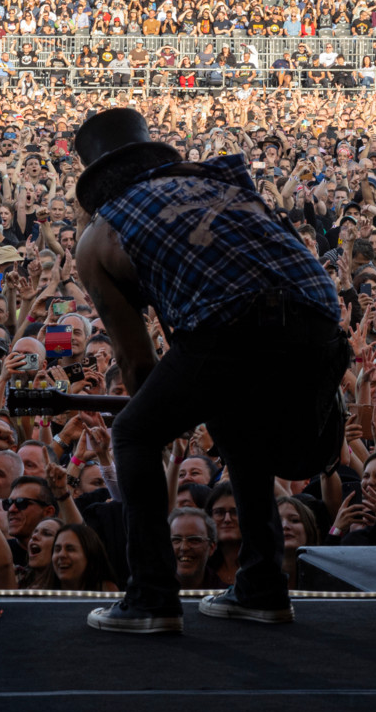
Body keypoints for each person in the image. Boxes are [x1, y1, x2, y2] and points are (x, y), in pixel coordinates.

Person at [73, 106, 349, 632]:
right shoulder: (220, 185)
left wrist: (159, 417)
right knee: (238, 429)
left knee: (132, 434)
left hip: (232, 322)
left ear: (96, 183)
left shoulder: (100, 234)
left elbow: (136, 362)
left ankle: (151, 596)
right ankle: (264, 587)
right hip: (318, 317)